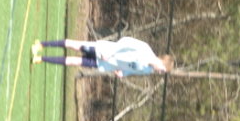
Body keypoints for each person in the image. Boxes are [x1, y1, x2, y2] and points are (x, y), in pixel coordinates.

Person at [31, 37, 174, 77]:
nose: (159, 72)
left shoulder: (147, 71)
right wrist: (111, 53)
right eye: (162, 70)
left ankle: (41, 59)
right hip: (104, 50)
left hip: (104, 64)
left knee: (73, 62)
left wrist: (123, 73)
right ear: (162, 62)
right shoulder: (145, 49)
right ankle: (41, 45)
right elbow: (125, 42)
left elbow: (131, 71)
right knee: (74, 45)